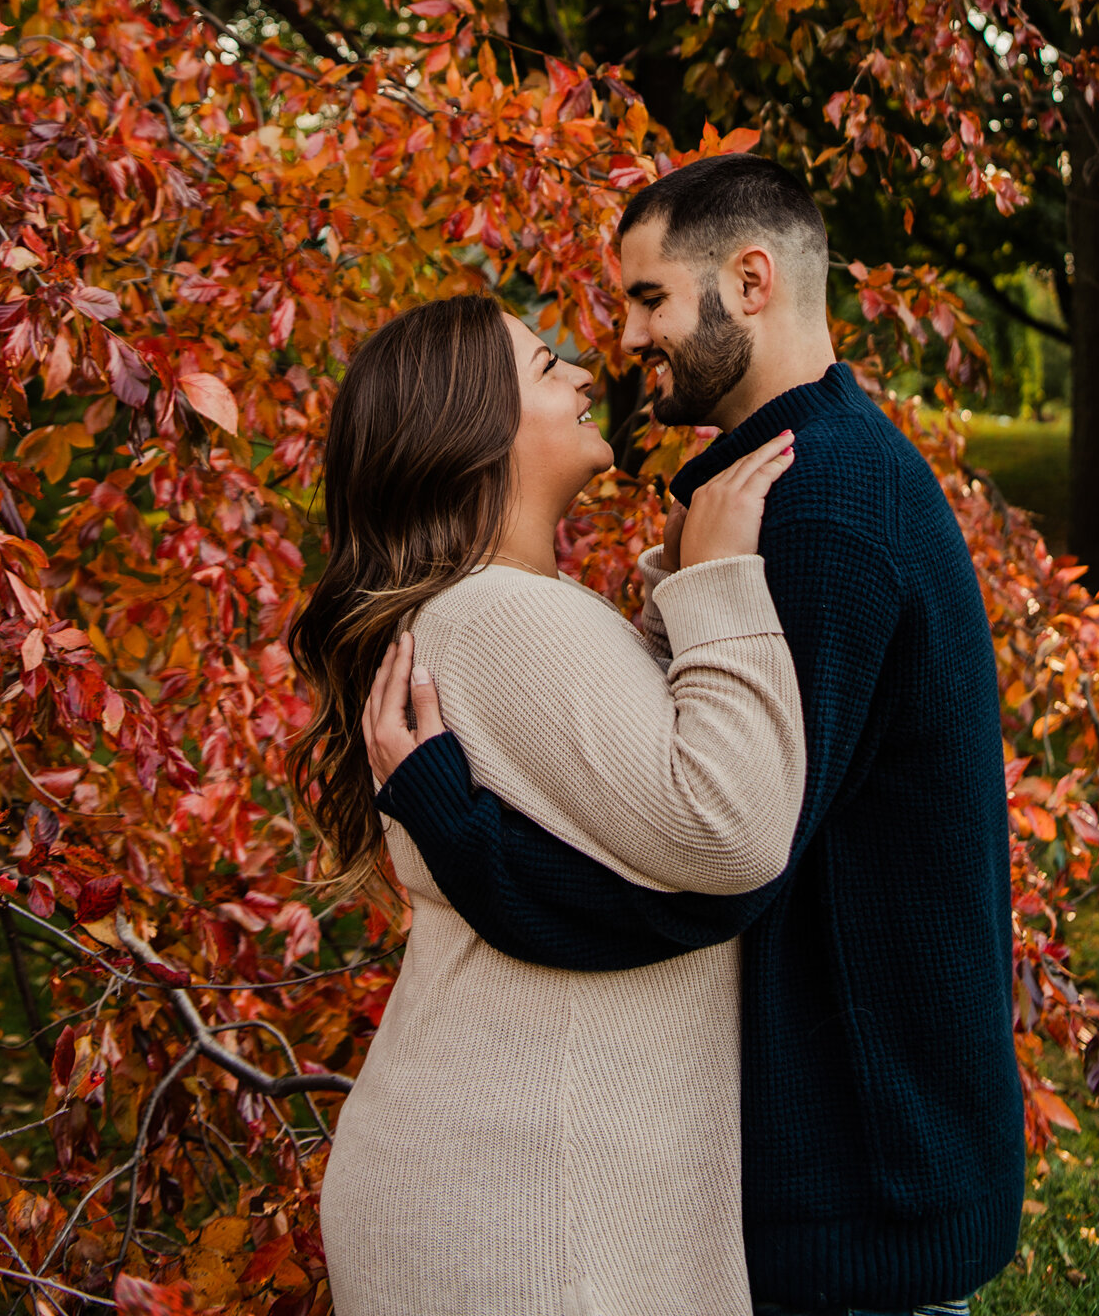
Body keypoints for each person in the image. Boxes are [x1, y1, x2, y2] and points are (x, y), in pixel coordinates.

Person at [366, 157, 1027, 1316]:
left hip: (858, 1181)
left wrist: (459, 836)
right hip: (855, 1161)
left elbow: (717, 871)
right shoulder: (811, 476)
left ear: (751, 280)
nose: (624, 334)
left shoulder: (815, 502)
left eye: (649, 298)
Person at [287, 291, 807, 1316]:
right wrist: (723, 577)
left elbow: (615, 821)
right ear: (470, 430)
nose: (580, 374)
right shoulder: (502, 617)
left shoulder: (490, 611)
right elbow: (731, 828)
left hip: (530, 1185)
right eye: (541, 365)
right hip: (533, 1208)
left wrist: (679, 574)